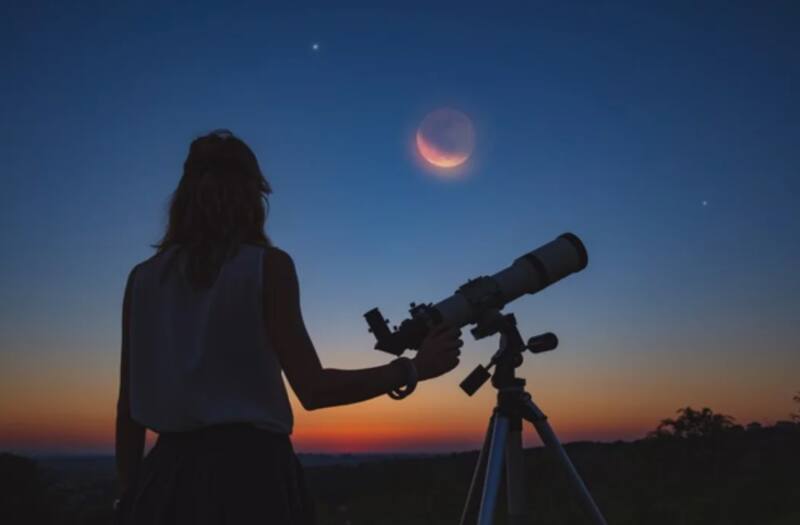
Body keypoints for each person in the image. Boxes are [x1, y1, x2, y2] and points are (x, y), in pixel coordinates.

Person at [114, 129, 463, 524]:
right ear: (253, 196)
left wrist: (129, 498)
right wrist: (415, 368)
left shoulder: (142, 278)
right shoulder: (267, 267)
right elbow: (314, 390)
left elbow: (129, 408)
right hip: (251, 480)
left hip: (165, 483)